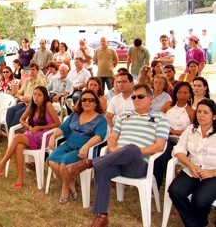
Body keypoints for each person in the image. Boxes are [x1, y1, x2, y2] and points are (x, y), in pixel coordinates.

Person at [66, 84, 169, 227]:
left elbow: (159, 146)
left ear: (151, 99)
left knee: (132, 148)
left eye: (140, 96)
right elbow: (112, 137)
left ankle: (90, 162)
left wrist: (132, 151)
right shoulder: (124, 115)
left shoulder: (161, 118)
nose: (136, 99)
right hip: (116, 160)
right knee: (102, 169)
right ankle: (102, 216)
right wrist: (113, 148)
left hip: (138, 165)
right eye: (134, 97)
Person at [0, 86, 60, 188]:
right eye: (34, 94)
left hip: (45, 136)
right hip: (33, 133)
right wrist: (28, 126)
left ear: (45, 96)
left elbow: (57, 123)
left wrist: (40, 127)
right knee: (19, 147)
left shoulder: (48, 105)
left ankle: (1, 165)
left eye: (39, 95)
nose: (36, 97)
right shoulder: (32, 106)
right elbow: (22, 119)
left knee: (17, 137)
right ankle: (20, 179)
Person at [48, 90, 107, 203]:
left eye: (91, 100)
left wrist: (86, 146)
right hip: (69, 144)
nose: (87, 102)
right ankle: (71, 183)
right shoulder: (75, 115)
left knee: (64, 163)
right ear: (80, 102)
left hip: (85, 149)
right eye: (84, 99)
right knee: (51, 161)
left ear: (96, 103)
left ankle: (65, 188)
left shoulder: (100, 119)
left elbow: (99, 136)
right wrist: (53, 136)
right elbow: (63, 128)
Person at [168, 98, 216, 227]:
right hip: (192, 168)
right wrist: (190, 165)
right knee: (175, 191)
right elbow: (178, 149)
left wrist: (213, 172)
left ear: (214, 116)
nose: (201, 115)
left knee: (200, 200)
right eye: (199, 111)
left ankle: (197, 222)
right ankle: (195, 224)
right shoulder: (191, 129)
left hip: (213, 173)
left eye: (206, 112)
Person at [154, 81, 195, 189]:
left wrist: (172, 131)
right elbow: (158, 118)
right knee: (162, 146)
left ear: (190, 94)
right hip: (163, 136)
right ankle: (157, 179)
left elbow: (192, 131)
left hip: (179, 140)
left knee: (162, 147)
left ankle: (159, 179)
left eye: (185, 93)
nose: (182, 95)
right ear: (175, 93)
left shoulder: (191, 111)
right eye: (180, 92)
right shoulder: (168, 105)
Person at [4, 62, 47, 133]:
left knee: (18, 113)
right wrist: (21, 97)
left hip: (35, 105)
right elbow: (18, 93)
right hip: (24, 103)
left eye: (33, 69)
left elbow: (43, 97)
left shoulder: (41, 82)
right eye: (30, 69)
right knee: (10, 110)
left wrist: (30, 99)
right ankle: (7, 130)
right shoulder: (27, 80)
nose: (31, 71)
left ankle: (11, 131)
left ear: (38, 71)